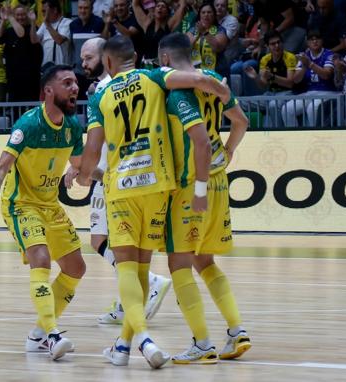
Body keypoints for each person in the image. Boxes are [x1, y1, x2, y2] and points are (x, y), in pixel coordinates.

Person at [76, 35, 230, 369]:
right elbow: (199, 79)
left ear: (108, 63)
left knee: (128, 267)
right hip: (159, 185)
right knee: (143, 266)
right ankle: (122, 346)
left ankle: (142, 338)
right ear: (137, 57)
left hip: (122, 188)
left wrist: (83, 175)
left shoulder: (100, 96)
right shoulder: (155, 77)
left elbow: (91, 151)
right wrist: (223, 92)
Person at [0, 64, 86, 361]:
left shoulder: (74, 126)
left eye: (76, 83)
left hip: (49, 204)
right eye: (67, 83)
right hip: (20, 203)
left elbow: (79, 165)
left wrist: (84, 174)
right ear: (49, 91)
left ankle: (37, 335)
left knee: (76, 268)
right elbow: (1, 166)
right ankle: (52, 335)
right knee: (41, 258)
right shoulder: (29, 124)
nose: (75, 88)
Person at [158, 32, 251, 364]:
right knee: (205, 262)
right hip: (219, 181)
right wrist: (227, 151)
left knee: (178, 263)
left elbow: (198, 140)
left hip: (190, 186)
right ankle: (236, 330)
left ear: (166, 59)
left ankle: (201, 343)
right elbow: (241, 122)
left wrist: (196, 188)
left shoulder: (178, 93)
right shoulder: (213, 79)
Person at [80, 37, 172, 325]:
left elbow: (99, 140)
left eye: (89, 58)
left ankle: (145, 292)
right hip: (138, 174)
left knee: (104, 241)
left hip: (113, 174)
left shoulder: (105, 91)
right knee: (120, 244)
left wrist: (84, 170)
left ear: (106, 59)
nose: (85, 63)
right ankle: (127, 305)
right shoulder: (143, 79)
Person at [281, 30, 338, 127]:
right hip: (310, 92)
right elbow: (296, 80)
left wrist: (310, 64)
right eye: (311, 39)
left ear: (322, 41)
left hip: (328, 91)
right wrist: (304, 66)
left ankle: (316, 138)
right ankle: (294, 138)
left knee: (313, 107)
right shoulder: (304, 56)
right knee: (287, 108)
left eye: (317, 39)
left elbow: (326, 75)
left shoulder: (329, 54)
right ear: (307, 43)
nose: (314, 41)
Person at [243, 29, 297, 127]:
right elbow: (263, 86)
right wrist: (256, 77)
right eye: (273, 44)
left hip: (287, 93)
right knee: (242, 103)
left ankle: (278, 135)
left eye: (278, 42)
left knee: (273, 105)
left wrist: (272, 77)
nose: (277, 46)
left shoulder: (290, 57)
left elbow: (290, 83)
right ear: (267, 46)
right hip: (269, 94)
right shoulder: (265, 60)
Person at [0, 4, 42, 102]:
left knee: (31, 106)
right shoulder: (9, 31)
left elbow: (22, 34)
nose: (20, 17)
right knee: (15, 109)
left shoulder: (32, 28)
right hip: (13, 77)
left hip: (31, 77)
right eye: (18, 15)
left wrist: (12, 17)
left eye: (23, 14)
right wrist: (4, 20)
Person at [132, 0, 185, 67]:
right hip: (146, 65)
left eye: (163, 7)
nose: (160, 8)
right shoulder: (146, 24)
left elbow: (182, 5)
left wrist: (170, 1)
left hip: (162, 65)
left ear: (167, 13)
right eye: (158, 6)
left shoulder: (169, 25)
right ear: (154, 11)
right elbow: (135, 4)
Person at [186, 2, 229, 76]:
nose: (206, 15)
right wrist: (198, 35)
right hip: (195, 70)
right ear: (199, 15)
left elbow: (217, 48)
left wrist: (205, 32)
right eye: (203, 12)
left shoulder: (220, 30)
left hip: (217, 70)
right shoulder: (192, 29)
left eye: (209, 12)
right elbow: (185, 48)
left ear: (214, 15)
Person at [36, 0, 72, 65]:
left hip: (62, 68)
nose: (43, 14)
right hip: (46, 68)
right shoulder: (44, 24)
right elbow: (34, 40)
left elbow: (59, 40)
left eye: (44, 11)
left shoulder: (67, 22)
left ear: (55, 10)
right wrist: (32, 22)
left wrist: (47, 24)